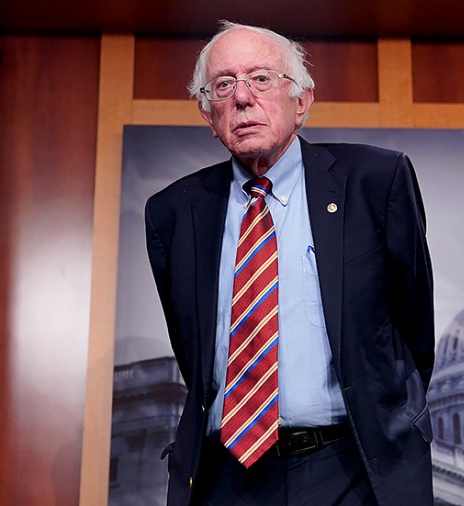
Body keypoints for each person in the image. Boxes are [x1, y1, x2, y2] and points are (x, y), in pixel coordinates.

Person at [145, 20, 435, 506]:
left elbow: (412, 332)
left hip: (350, 468)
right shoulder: (173, 212)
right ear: (208, 115)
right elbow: (192, 349)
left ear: (301, 102)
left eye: (260, 79)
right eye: (223, 85)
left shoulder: (376, 182)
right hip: (224, 477)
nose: (242, 97)